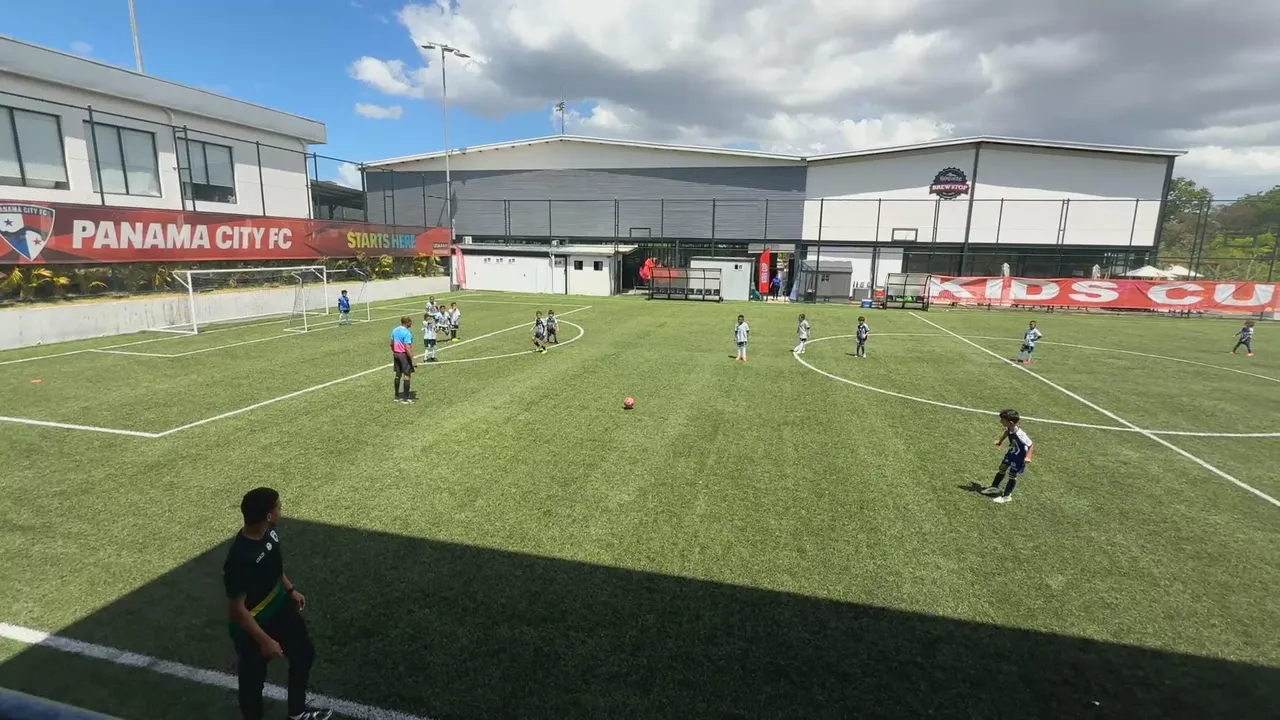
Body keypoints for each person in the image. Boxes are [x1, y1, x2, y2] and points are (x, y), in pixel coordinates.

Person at [223, 487, 332, 720]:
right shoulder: (239, 558)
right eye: (278, 507)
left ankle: (297, 712)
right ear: (268, 515)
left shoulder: (270, 533)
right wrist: (266, 640)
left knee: (304, 653)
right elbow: (237, 609)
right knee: (253, 684)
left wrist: (290, 589)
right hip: (253, 625)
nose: (281, 510)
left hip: (279, 608)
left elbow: (275, 568)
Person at [983, 409, 1033, 505]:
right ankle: (994, 487)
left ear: (1010, 422)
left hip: (1019, 456)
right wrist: (1000, 441)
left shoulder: (1020, 434)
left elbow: (1030, 445)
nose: (1001, 421)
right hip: (1012, 452)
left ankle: (1006, 496)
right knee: (1002, 467)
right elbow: (1007, 432)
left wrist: (1028, 457)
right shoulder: (1010, 428)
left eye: (1002, 420)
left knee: (1012, 475)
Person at [391, 316, 415, 404]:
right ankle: (406, 398)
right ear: (407, 322)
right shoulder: (407, 332)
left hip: (396, 354)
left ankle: (396, 396)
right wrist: (412, 359)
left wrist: (395, 351)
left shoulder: (395, 330)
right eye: (410, 322)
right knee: (407, 375)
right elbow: (407, 347)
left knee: (398, 374)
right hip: (403, 355)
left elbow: (391, 343)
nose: (411, 323)